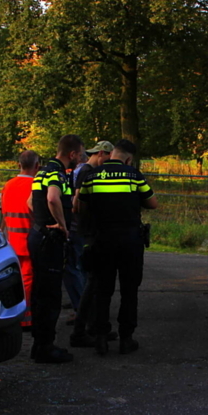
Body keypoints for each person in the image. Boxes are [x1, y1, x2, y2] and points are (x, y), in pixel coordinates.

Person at [77, 139, 157, 356]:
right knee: (129, 291)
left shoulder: (91, 176)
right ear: (129, 159)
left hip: (102, 239)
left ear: (112, 154)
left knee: (103, 291)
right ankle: (126, 339)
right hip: (130, 240)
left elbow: (80, 206)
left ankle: (101, 339)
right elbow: (152, 203)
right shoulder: (134, 175)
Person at [27, 134, 84, 364]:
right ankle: (46, 347)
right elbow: (52, 198)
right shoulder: (57, 173)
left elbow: (30, 203)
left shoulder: (41, 171)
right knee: (50, 295)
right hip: (50, 240)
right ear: (72, 154)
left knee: (40, 292)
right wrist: (61, 225)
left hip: (38, 235)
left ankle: (38, 343)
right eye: (79, 154)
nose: (80, 159)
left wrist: (40, 223)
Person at [68, 140, 115, 347]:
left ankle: (93, 326)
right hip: (85, 233)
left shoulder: (83, 170)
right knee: (91, 281)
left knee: (91, 280)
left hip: (82, 231)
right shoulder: (87, 171)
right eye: (110, 158)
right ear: (102, 154)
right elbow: (77, 203)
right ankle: (87, 328)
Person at [0, 150, 40, 328]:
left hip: (12, 241)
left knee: (17, 279)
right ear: (37, 166)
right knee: (29, 279)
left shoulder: (8, 185)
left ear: (19, 165)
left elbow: (4, 213)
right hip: (29, 240)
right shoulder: (35, 186)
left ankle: (17, 312)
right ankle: (26, 317)